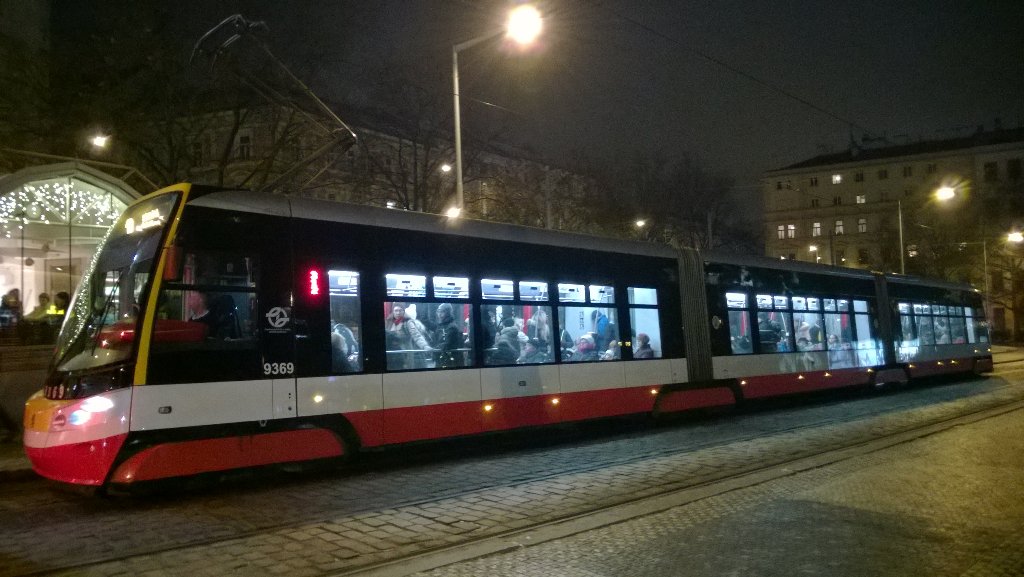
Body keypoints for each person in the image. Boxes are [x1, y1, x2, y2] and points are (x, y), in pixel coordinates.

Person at [384, 303, 431, 369]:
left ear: (403, 311)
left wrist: (425, 346)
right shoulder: (388, 322)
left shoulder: (408, 322)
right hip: (391, 353)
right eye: (396, 310)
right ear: (393, 311)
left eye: (400, 310)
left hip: (405, 352)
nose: (398, 313)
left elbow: (416, 335)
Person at [433, 302, 465, 368]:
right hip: (444, 359)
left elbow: (447, 344)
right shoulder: (441, 326)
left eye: (442, 312)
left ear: (448, 313)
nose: (439, 314)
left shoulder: (452, 327)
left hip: (451, 361)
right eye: (438, 311)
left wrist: (434, 350)